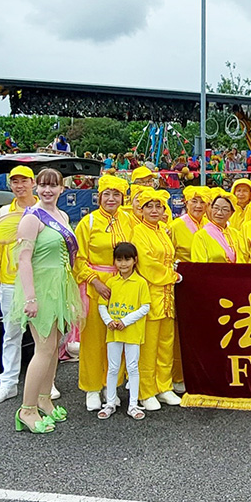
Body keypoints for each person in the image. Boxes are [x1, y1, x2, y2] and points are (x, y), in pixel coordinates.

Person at [8, 168, 81, 433]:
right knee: (43, 349)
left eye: (54, 186)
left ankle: (44, 400)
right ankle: (26, 410)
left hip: (60, 288)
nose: (48, 190)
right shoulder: (32, 218)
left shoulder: (61, 215)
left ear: (62, 189)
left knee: (53, 349)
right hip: (40, 289)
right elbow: (23, 259)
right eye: (43, 185)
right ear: (36, 187)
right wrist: (30, 297)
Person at [72, 174, 131, 413]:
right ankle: (92, 388)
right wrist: (94, 281)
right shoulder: (88, 222)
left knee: (117, 338)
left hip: (123, 284)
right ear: (99, 196)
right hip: (97, 286)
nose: (111, 199)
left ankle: (112, 385)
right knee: (94, 339)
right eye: (107, 194)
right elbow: (78, 258)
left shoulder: (129, 220)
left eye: (116, 194)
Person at [0, 166, 41, 405]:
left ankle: (44, 384)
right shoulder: (3, 212)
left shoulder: (43, 210)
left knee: (44, 335)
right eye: (14, 182)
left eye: (24, 181)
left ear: (33, 183)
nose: (19, 186)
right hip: (9, 282)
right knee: (12, 334)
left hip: (40, 281)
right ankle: (8, 383)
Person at [131, 189, 183, 411]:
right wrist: (173, 275)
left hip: (167, 295)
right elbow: (147, 264)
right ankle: (146, 390)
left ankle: (164, 386)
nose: (154, 211)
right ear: (141, 210)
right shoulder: (138, 232)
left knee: (165, 344)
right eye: (149, 206)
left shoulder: (163, 230)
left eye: (158, 206)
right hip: (150, 294)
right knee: (148, 346)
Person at [97, 242, 150, 421]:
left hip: (132, 332)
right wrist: (110, 321)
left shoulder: (141, 282)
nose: (123, 263)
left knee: (132, 367)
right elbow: (102, 305)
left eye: (127, 259)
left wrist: (125, 322)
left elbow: (145, 307)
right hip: (114, 332)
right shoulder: (111, 282)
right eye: (119, 260)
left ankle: (133, 404)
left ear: (135, 260)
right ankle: (110, 402)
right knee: (112, 367)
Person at [192, 189, 246, 263]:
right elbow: (199, 266)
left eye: (225, 209)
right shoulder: (201, 236)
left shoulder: (236, 234)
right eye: (216, 208)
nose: (219, 213)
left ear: (231, 213)